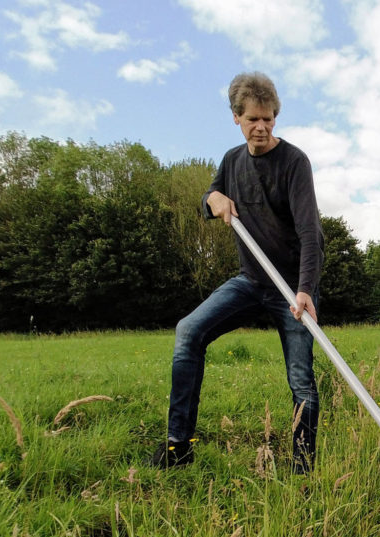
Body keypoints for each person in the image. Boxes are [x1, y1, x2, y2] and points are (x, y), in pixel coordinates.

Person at [151, 72, 324, 473]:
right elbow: (208, 202)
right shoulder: (232, 161)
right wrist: (210, 197)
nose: (261, 127)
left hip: (293, 289)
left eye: (268, 118)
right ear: (236, 118)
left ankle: (303, 468)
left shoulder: (295, 162)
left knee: (300, 377)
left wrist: (305, 289)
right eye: (252, 119)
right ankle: (179, 446)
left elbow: (310, 233)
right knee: (188, 331)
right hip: (250, 281)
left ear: (275, 117)